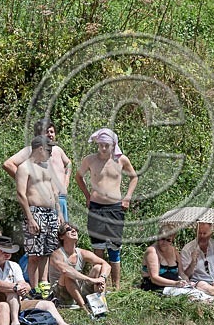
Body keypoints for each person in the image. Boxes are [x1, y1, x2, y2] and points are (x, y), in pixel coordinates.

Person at [0, 236, 90, 325]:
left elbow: (24, 284)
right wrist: (16, 288)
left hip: (14, 302)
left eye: (10, 251)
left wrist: (24, 288)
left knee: (48, 304)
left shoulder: (14, 265)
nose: (7, 254)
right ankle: (15, 324)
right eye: (4, 251)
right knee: (10, 291)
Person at [75, 128, 138, 289]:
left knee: (114, 248)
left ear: (113, 145)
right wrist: (87, 196)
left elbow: (134, 177)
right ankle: (99, 285)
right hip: (96, 206)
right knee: (98, 247)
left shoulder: (121, 160)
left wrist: (127, 197)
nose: (103, 148)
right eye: (100, 145)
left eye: (106, 145)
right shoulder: (90, 160)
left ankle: (116, 287)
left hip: (115, 207)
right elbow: (78, 176)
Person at [3, 118, 72, 222]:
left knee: (64, 230)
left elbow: (69, 163)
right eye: (46, 132)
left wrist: (66, 180)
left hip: (60, 199)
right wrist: (28, 181)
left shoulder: (58, 150)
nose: (50, 134)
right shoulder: (31, 150)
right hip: (41, 203)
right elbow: (8, 164)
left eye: (52, 132)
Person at [16, 135, 61, 293]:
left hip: (50, 212)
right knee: (34, 253)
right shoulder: (24, 167)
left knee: (47, 251)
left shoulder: (46, 167)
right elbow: (21, 194)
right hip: (35, 212)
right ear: (40, 149)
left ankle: (44, 284)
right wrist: (30, 218)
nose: (50, 153)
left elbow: (54, 191)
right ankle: (34, 289)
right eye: (49, 150)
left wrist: (58, 213)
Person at [140, 226, 213, 302]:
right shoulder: (152, 251)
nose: (164, 242)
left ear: (172, 240)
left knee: (205, 292)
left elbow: (181, 273)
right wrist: (175, 283)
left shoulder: (173, 250)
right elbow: (154, 278)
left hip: (173, 285)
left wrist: (187, 282)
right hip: (156, 287)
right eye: (162, 239)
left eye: (168, 240)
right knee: (194, 296)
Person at [49, 222, 110, 311]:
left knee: (98, 268)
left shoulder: (82, 252)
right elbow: (65, 271)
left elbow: (106, 264)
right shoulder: (56, 254)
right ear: (61, 237)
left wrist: (102, 278)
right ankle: (85, 309)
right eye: (69, 229)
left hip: (78, 288)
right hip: (60, 293)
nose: (74, 231)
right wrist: (91, 280)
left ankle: (100, 307)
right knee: (68, 275)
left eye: (75, 230)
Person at [181, 222, 214, 296]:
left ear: (211, 234)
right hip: (198, 282)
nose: (202, 236)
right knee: (203, 285)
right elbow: (185, 276)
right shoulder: (187, 249)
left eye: (205, 233)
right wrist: (193, 262)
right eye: (199, 233)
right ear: (195, 233)